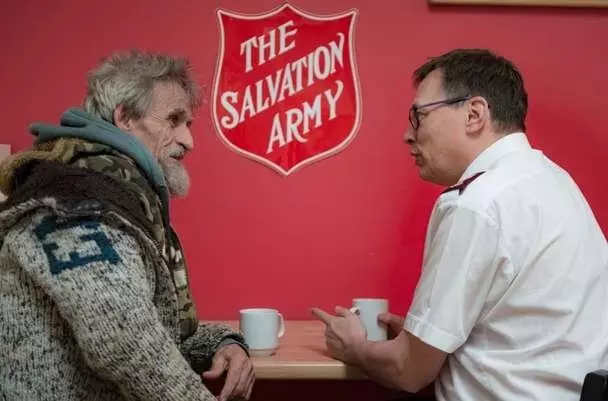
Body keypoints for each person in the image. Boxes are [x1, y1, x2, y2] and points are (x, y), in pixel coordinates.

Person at [312, 48, 608, 401]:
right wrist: (424, 334)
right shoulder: (552, 180)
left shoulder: (477, 203)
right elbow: (529, 332)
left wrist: (354, 346)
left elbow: (408, 371)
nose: (408, 134)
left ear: (474, 114)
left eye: (418, 115)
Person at [0, 50, 254, 401]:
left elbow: (160, 329)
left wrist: (226, 343)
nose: (188, 140)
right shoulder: (73, 204)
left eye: (188, 124)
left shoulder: (119, 198)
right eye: (173, 119)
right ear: (125, 118)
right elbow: (126, 342)